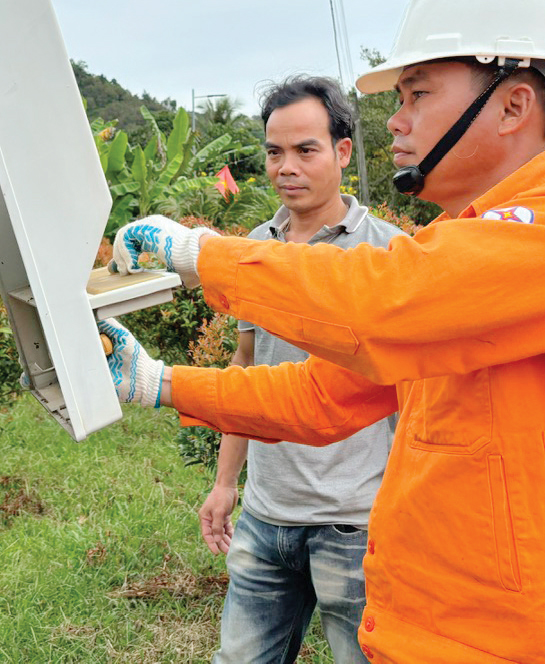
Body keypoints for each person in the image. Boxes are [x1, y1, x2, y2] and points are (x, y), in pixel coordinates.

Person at [100, 0, 545, 664]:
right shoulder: (461, 253)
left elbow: (386, 300)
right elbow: (320, 395)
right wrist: (161, 384)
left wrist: (202, 253)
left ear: (513, 106)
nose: (396, 119)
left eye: (417, 94)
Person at [201, 76, 403, 664]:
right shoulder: (251, 252)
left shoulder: (387, 254)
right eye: (274, 152)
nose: (286, 167)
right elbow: (247, 369)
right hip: (267, 517)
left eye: (305, 150)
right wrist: (223, 484)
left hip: (357, 524)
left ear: (341, 152)